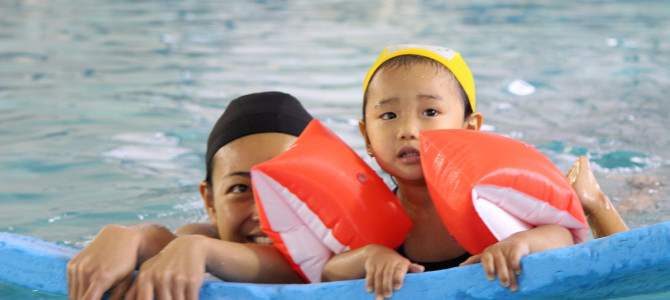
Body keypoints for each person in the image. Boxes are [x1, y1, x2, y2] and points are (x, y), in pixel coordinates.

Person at [321, 44, 577, 299]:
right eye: (389, 115)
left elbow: (564, 237)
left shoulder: (493, 200)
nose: (408, 129)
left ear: (470, 128)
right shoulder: (374, 219)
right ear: (367, 138)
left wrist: (520, 243)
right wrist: (368, 257)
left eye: (430, 112)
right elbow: (328, 274)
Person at [67, 91, 313, 300]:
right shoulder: (206, 237)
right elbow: (180, 243)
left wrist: (202, 250)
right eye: (240, 188)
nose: (262, 213)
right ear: (210, 203)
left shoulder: (348, 250)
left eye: (285, 187)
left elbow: (314, 266)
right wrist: (139, 236)